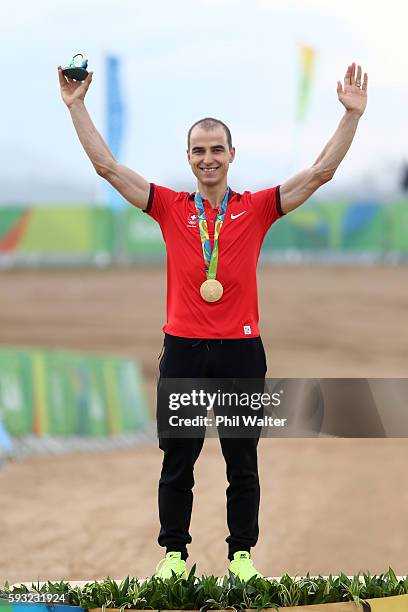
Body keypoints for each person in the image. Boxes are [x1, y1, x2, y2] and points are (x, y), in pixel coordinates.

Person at [58, 62, 368, 581]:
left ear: (230, 155)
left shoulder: (258, 208)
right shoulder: (168, 207)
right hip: (182, 348)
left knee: (241, 464)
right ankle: (175, 557)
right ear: (189, 157)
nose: (207, 158)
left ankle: (241, 557)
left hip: (241, 351)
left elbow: (319, 174)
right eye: (198, 150)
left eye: (216, 149)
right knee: (178, 461)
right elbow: (108, 168)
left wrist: (351, 118)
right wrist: (77, 107)